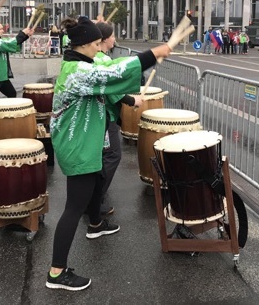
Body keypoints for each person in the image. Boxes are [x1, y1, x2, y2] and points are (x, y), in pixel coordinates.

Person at [47, 16, 171, 291]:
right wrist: (152, 54)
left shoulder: (79, 64)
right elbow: (112, 74)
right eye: (95, 43)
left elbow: (112, 68)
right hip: (77, 145)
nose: (98, 47)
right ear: (85, 45)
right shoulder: (78, 71)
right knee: (72, 209)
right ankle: (56, 272)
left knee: (90, 192)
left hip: (83, 142)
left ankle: (95, 224)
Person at [94, 22, 143, 215]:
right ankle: (95, 200)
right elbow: (110, 89)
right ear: (104, 39)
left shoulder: (99, 57)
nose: (115, 39)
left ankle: (95, 197)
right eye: (113, 36)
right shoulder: (100, 59)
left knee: (103, 156)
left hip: (101, 114)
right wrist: (132, 100)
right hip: (103, 115)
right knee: (112, 155)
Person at [0, 20, 34, 98]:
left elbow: (12, 43)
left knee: (12, 94)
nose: (3, 31)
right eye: (0, 29)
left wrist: (26, 36)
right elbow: (8, 44)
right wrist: (22, 34)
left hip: (1, 75)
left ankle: (8, 110)